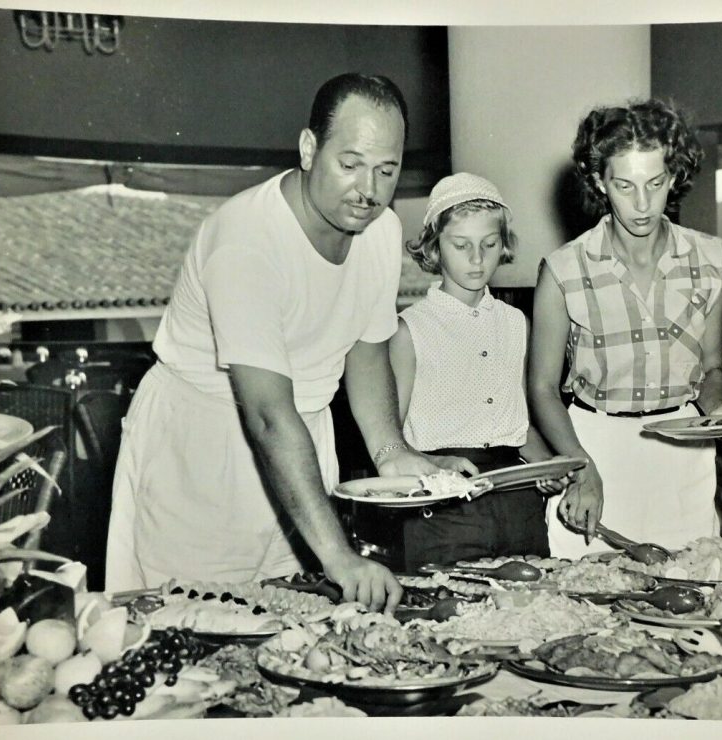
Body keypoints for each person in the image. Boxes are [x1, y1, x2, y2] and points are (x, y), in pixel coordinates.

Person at [105, 73, 475, 612]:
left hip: (300, 446)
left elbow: (366, 348)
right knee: (196, 626)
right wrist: (340, 555)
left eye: (386, 170)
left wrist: (392, 452)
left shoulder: (381, 231)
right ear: (309, 149)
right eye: (349, 165)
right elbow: (266, 414)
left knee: (293, 627)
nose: (368, 190)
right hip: (206, 449)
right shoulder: (247, 245)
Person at [529, 97, 722, 558]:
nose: (641, 204)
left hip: (683, 456)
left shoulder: (712, 259)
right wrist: (580, 467)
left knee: (687, 594)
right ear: (599, 180)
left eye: (655, 183)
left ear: (673, 176)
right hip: (594, 450)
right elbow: (541, 388)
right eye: (624, 186)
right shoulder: (563, 270)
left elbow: (711, 369)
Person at [390, 173, 559, 570]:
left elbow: (519, 427)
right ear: (434, 247)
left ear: (504, 245)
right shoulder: (410, 329)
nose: (477, 259)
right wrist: (437, 466)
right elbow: (388, 439)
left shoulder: (516, 322)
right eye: (461, 245)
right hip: (444, 506)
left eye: (489, 244)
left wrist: (548, 466)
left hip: (518, 504)